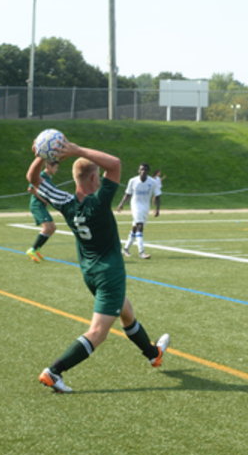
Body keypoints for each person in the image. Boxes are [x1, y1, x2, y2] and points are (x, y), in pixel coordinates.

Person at [26, 139, 170, 393]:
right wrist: (77, 150)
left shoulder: (65, 201)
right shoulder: (100, 201)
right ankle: (54, 372)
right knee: (98, 332)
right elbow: (114, 164)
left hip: (90, 273)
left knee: (126, 311)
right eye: (98, 177)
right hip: (109, 274)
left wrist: (41, 155)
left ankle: (153, 354)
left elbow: (32, 178)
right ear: (94, 178)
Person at [116, 163, 161, 259]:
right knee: (140, 227)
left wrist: (157, 209)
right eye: (141, 169)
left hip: (146, 207)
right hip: (135, 206)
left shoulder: (153, 182)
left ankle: (125, 249)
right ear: (138, 171)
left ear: (148, 171)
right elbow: (128, 194)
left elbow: (157, 196)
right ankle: (141, 252)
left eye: (145, 170)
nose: (143, 171)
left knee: (135, 228)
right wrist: (121, 204)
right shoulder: (133, 181)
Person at [26, 160, 59, 263]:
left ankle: (37, 249)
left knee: (52, 228)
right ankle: (32, 250)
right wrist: (43, 200)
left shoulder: (48, 177)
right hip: (37, 206)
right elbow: (30, 189)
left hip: (42, 206)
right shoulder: (41, 175)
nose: (56, 170)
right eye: (55, 167)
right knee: (47, 228)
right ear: (48, 166)